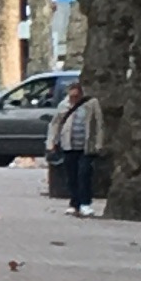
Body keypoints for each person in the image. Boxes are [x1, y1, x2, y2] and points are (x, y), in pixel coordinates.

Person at [50, 85, 100, 215]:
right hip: (69, 145)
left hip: (86, 146)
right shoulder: (64, 105)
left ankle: (85, 203)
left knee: (84, 174)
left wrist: (99, 143)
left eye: (76, 96)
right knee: (71, 175)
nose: (73, 99)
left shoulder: (91, 104)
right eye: (71, 96)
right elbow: (55, 123)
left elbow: (99, 124)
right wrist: (52, 142)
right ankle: (74, 202)